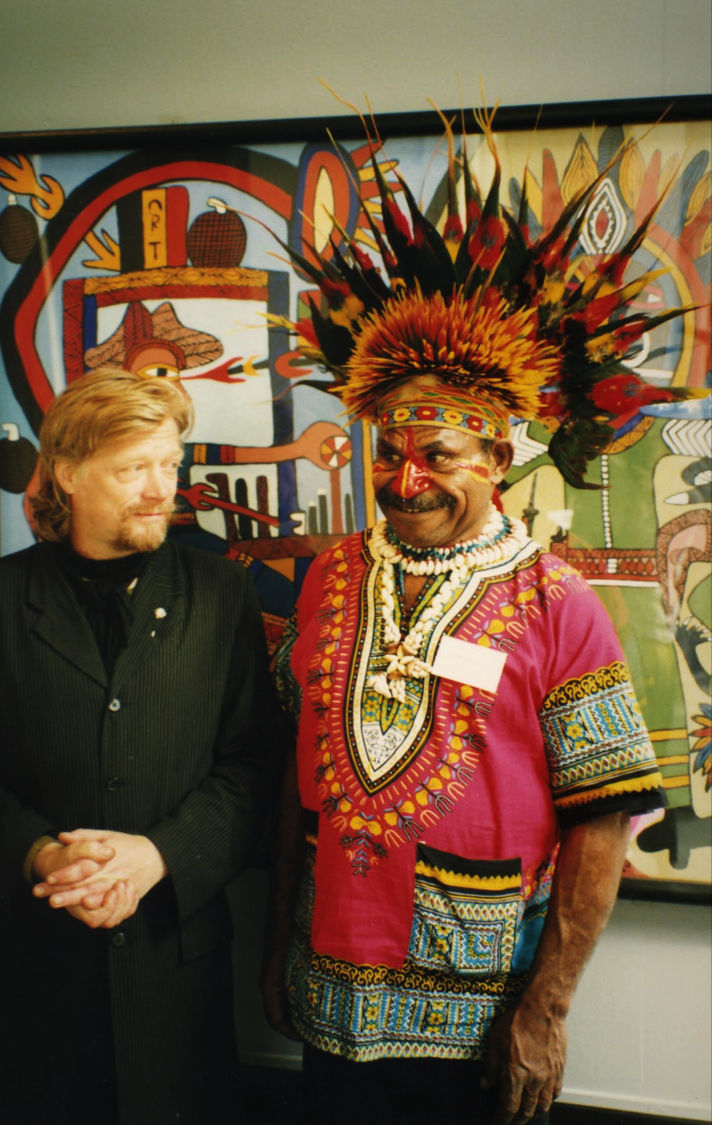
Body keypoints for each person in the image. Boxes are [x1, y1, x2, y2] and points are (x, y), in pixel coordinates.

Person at [261, 105, 694, 1124]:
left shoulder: (558, 604)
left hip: (478, 1021)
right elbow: (295, 775)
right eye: (388, 455)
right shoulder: (327, 579)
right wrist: (278, 941)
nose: (406, 479)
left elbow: (600, 822)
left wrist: (544, 1010)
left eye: (439, 456)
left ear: (498, 459)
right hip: (327, 1001)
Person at [0, 368, 280, 1125]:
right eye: (133, 467)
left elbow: (253, 767)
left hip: (177, 968)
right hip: (38, 972)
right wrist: (42, 855)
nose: (160, 488)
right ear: (69, 475)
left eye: (169, 464)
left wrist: (160, 855)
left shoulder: (223, 594)